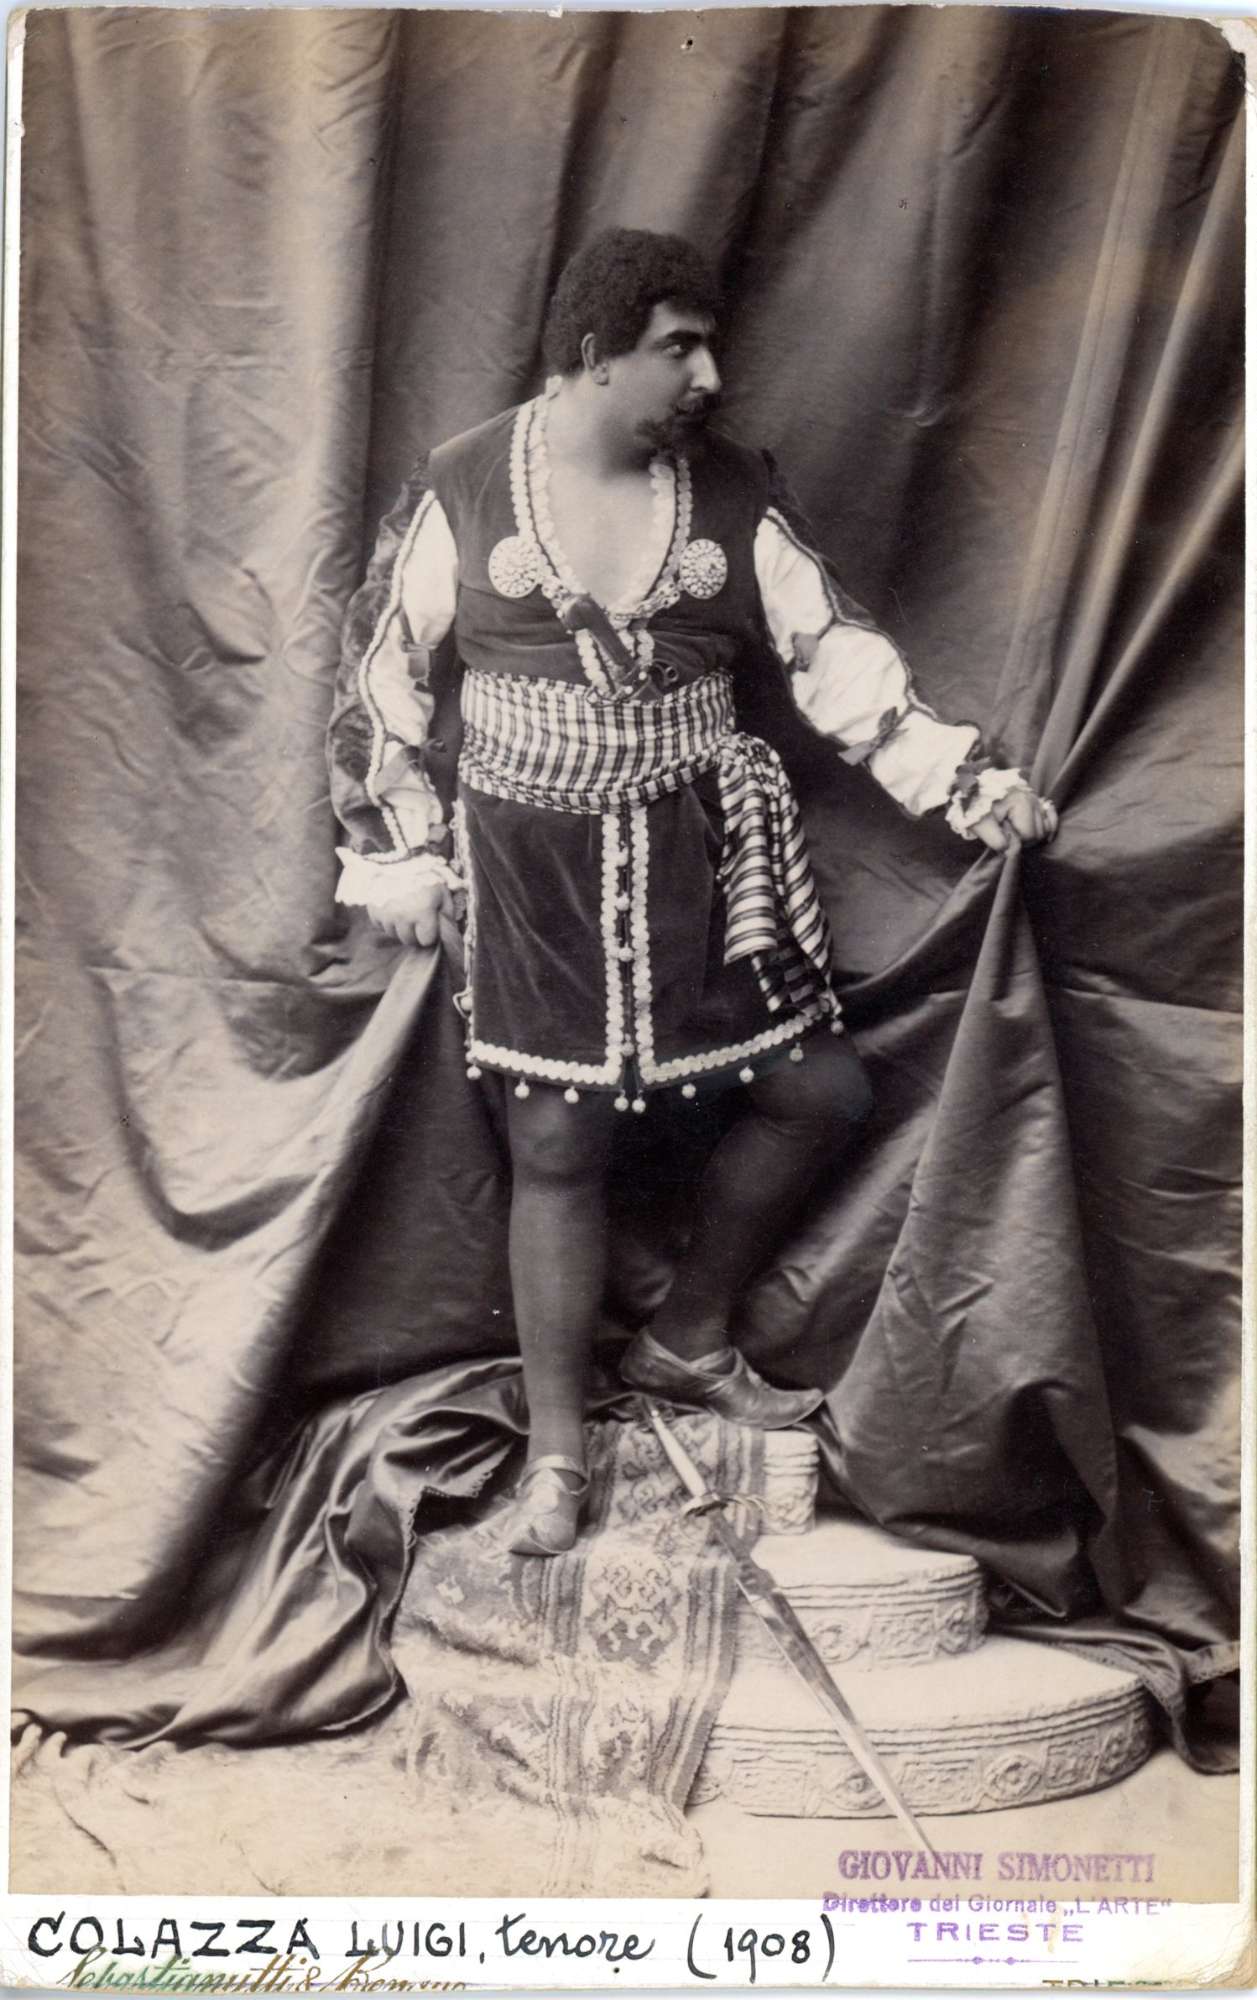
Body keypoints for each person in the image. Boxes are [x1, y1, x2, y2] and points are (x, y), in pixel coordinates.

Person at [327, 228, 1057, 1557]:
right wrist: (401, 849)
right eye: (679, 348)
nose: (709, 377)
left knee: (818, 1092)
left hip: (706, 855)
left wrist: (968, 786)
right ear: (594, 354)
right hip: (533, 868)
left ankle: (686, 1333)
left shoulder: (732, 490)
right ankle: (556, 1457)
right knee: (557, 1144)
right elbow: (380, 678)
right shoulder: (464, 483)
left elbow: (834, 655)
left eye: (707, 346)